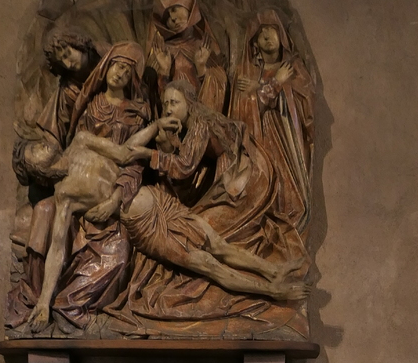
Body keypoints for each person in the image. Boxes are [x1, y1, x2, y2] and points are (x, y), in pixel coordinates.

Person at [106, 80, 309, 337]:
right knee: (212, 256)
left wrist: (150, 155)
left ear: (189, 103)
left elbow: (184, 166)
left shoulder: (200, 123)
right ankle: (273, 276)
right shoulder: (193, 126)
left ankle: (273, 279)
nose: (168, 109)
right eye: (165, 103)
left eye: (174, 102)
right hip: (166, 216)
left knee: (216, 243)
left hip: (241, 181)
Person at [26, 42, 151, 334]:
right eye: (117, 65)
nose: (120, 73)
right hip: (82, 190)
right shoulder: (91, 106)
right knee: (51, 218)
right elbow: (77, 149)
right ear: (106, 67)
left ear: (132, 78)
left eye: (127, 70)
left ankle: (67, 306)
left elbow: (133, 163)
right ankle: (45, 302)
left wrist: (114, 200)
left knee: (119, 256)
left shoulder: (137, 114)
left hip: (113, 194)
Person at [6, 31, 100, 329]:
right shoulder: (67, 91)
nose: (68, 63)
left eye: (69, 53)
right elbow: (55, 139)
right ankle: (37, 295)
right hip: (76, 173)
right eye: (62, 60)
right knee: (44, 210)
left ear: (81, 44)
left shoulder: (109, 72)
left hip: (103, 173)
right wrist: (43, 161)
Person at [229, 9, 314, 234]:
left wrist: (265, 87)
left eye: (271, 30)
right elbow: (241, 114)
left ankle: (285, 231)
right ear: (254, 42)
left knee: (288, 193)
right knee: (262, 187)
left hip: (286, 141)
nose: (267, 35)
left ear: (281, 35)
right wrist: (272, 85)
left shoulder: (294, 70)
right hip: (259, 141)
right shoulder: (247, 73)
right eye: (261, 33)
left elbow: (304, 108)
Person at [146, 0, 227, 113]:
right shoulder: (161, 51)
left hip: (199, 115)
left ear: (189, 7)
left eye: (174, 9)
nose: (173, 18)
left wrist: (201, 69)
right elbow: (150, 95)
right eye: (167, 17)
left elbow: (220, 87)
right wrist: (164, 72)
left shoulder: (203, 48)